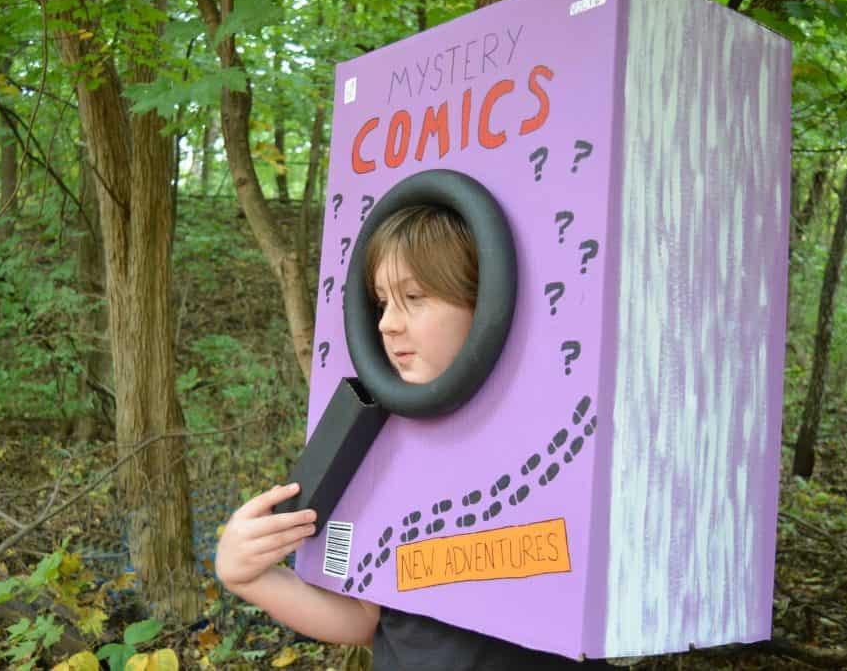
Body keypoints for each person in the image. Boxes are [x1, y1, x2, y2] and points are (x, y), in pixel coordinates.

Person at [215, 205, 609, 670]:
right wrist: (249, 577)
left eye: (414, 297)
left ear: (486, 303)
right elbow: (366, 619)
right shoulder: (373, 441)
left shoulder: (567, 439)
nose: (386, 324)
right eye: (382, 302)